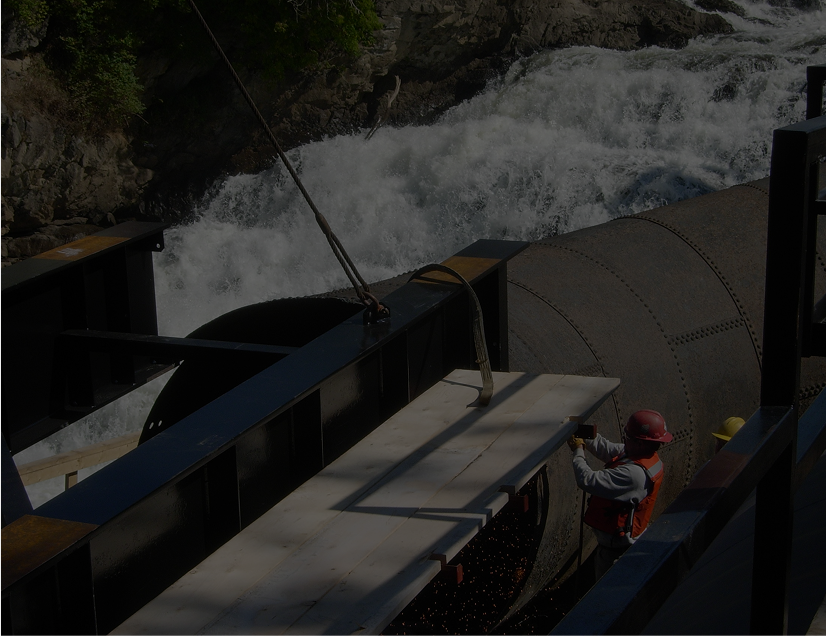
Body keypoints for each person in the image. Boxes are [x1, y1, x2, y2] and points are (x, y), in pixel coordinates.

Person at [568, 409, 673, 580]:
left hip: (618, 553)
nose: (624, 440)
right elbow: (607, 448)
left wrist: (578, 450)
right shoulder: (642, 455)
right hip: (615, 547)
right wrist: (582, 431)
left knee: (605, 599)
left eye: (628, 437)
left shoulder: (634, 475)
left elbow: (587, 480)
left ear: (641, 442)